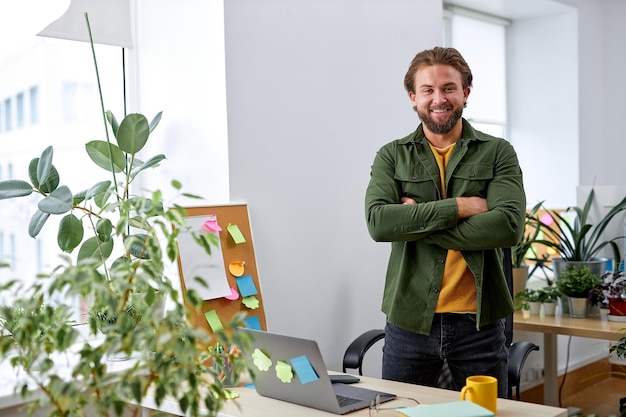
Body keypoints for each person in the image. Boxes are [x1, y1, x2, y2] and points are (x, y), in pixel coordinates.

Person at [364, 46, 526, 398]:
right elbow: (378, 223)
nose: (439, 98)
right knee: (403, 410)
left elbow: (508, 226)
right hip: (409, 323)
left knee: (483, 415)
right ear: (413, 97)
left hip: (478, 326)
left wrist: (416, 223)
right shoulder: (391, 156)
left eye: (449, 88)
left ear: (465, 93)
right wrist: (459, 207)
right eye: (428, 90)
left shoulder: (498, 152)